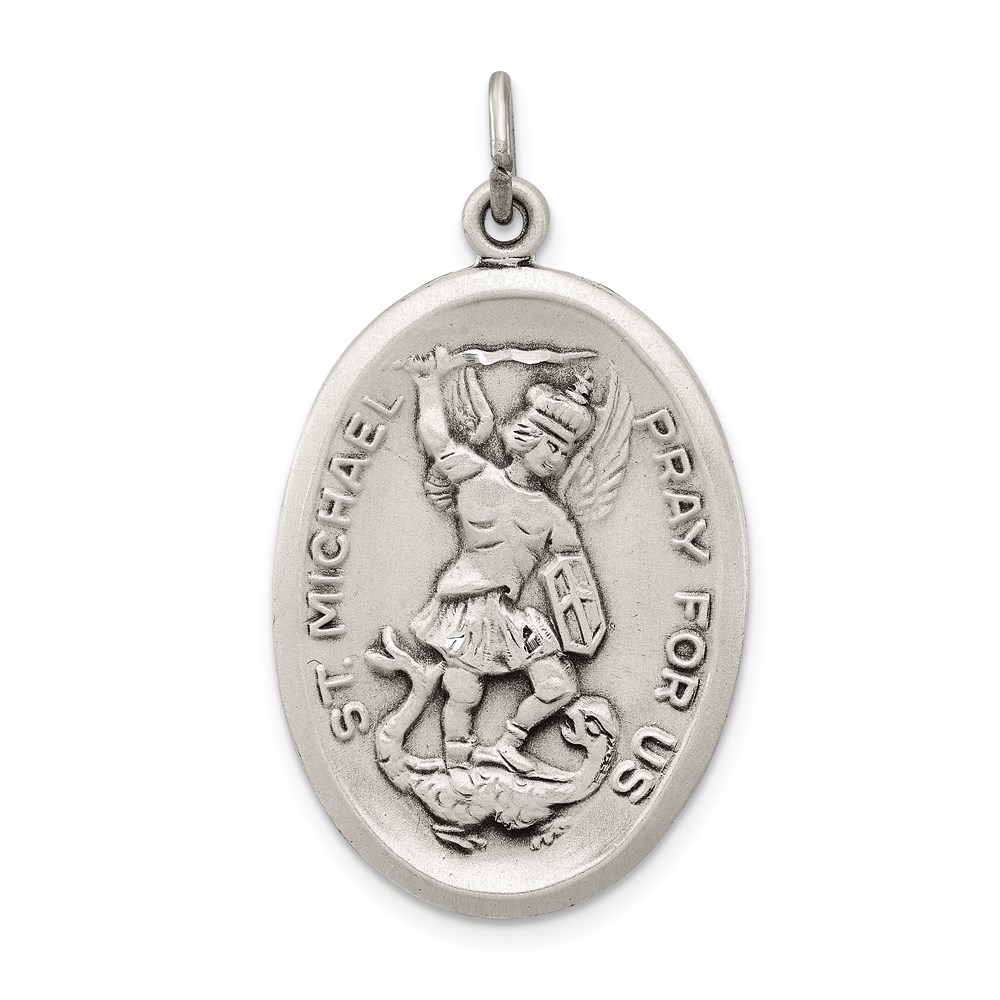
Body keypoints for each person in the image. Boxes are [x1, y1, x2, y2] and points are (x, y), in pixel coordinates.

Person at [400, 345, 603, 789]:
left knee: (558, 687)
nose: (556, 458)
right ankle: (457, 765)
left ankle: (508, 744)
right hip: (467, 604)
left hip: (511, 616)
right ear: (525, 434)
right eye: (551, 444)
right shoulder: (476, 477)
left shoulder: (554, 516)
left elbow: (575, 577)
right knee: (463, 691)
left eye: (565, 452)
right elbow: (436, 441)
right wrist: (427, 384)